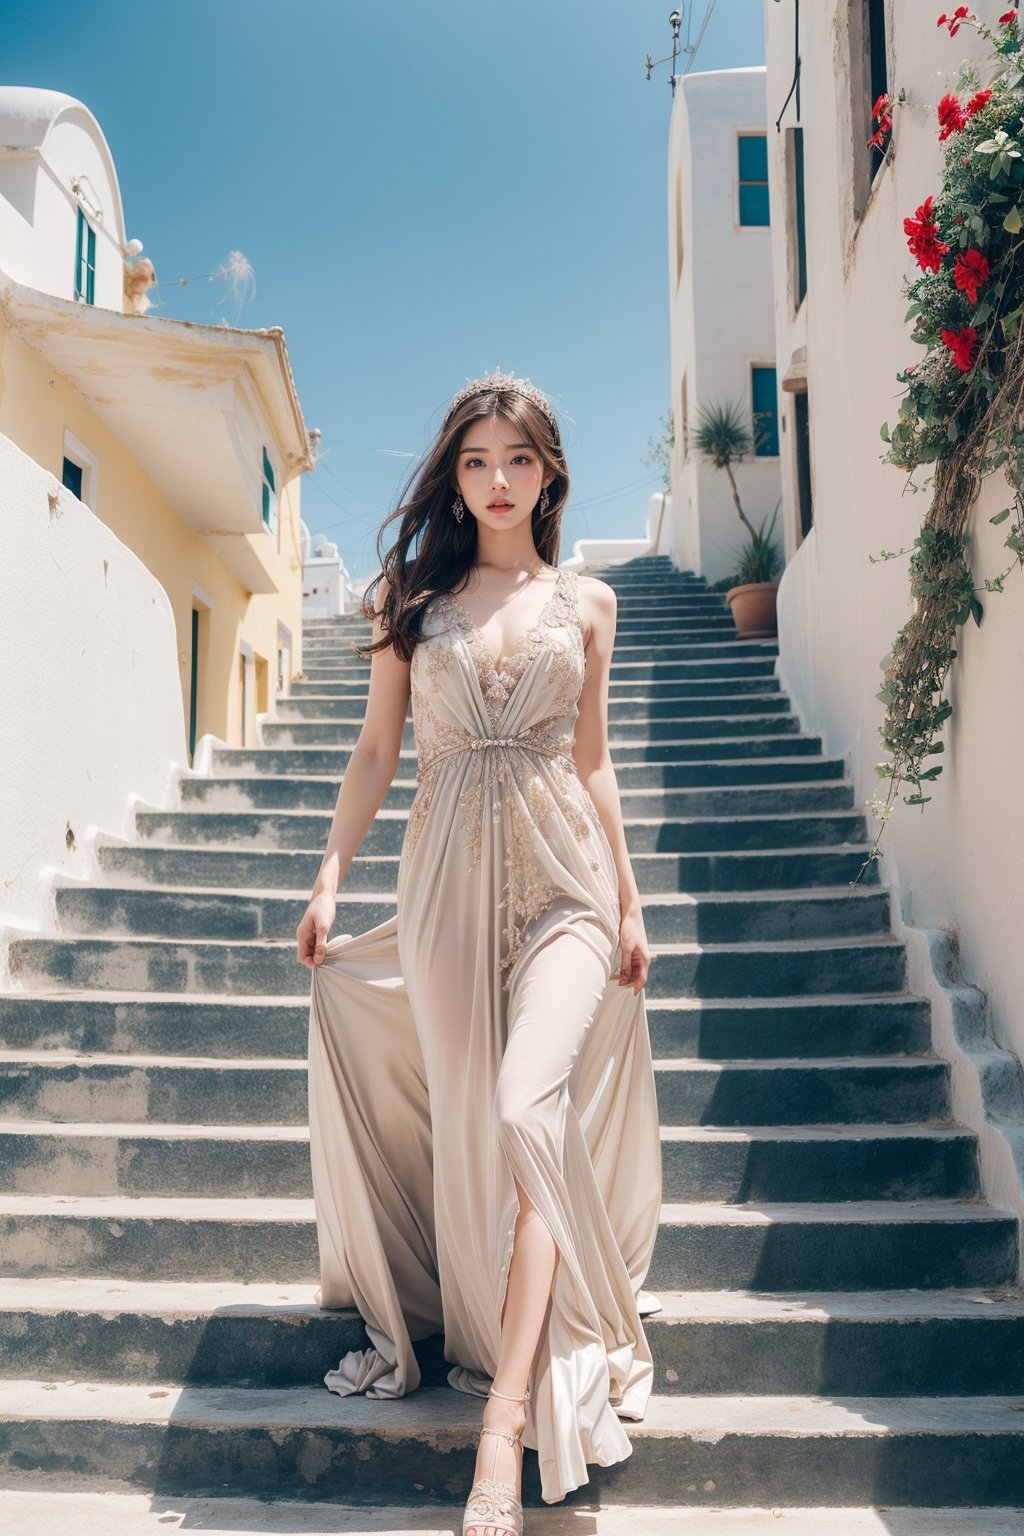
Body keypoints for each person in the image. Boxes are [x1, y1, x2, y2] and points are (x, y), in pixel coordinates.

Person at [296, 367, 663, 1535]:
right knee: (474, 1124)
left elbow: (593, 761)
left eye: (517, 459)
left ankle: (503, 1427)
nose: (497, 480)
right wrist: (327, 876)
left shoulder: (590, 604)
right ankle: (500, 1327)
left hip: (568, 882)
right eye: (475, 460)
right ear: (453, 475)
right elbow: (372, 753)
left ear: (550, 472)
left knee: (523, 1108)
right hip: (444, 881)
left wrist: (632, 899)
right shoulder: (410, 600)